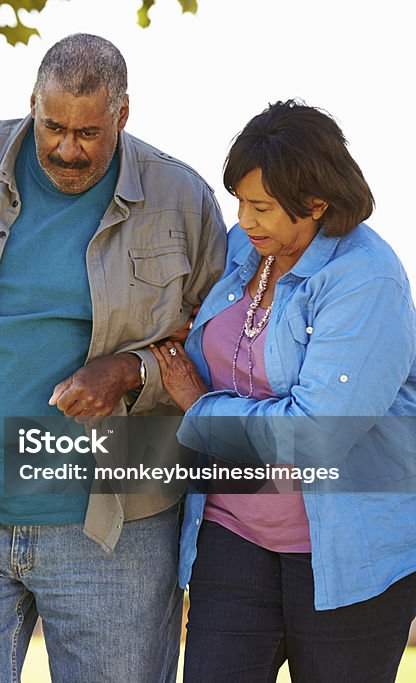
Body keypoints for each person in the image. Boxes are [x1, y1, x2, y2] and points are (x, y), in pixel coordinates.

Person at [0, 33, 227, 681]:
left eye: (89, 132)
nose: (67, 149)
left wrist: (132, 369)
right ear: (31, 102)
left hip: (115, 527)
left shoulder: (181, 200)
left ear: (122, 113)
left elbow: (213, 340)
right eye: (53, 125)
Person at [149, 100, 416, 682]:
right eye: (241, 201)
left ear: (317, 203)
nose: (245, 218)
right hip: (232, 533)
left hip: (346, 555)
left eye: (262, 206)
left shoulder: (365, 278)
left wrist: (200, 408)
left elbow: (316, 432)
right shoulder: (247, 250)